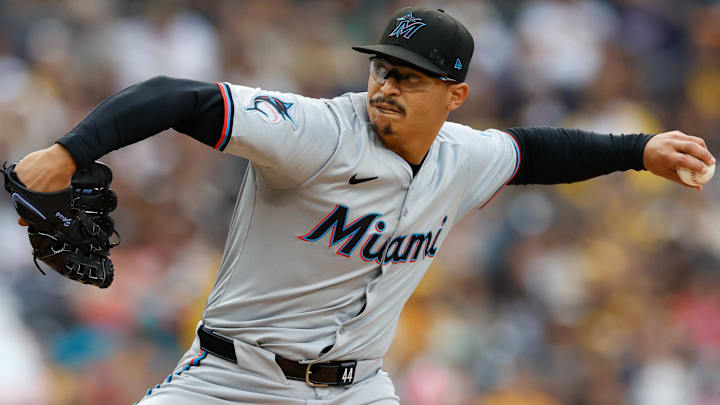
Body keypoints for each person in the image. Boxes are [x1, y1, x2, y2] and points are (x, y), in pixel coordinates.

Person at [10, 6, 715, 405]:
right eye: (383, 68)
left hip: (358, 391)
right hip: (232, 379)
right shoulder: (319, 131)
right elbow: (179, 96)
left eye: (410, 78)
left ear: (455, 95)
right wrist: (67, 151)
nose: (386, 86)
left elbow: (537, 150)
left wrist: (638, 149)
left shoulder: (463, 157)